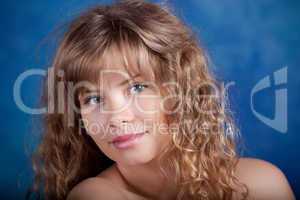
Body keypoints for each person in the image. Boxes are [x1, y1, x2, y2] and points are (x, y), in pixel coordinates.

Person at [28, 0, 295, 199]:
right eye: (94, 99)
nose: (117, 116)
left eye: (137, 87)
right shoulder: (94, 195)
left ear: (180, 91)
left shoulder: (261, 184)